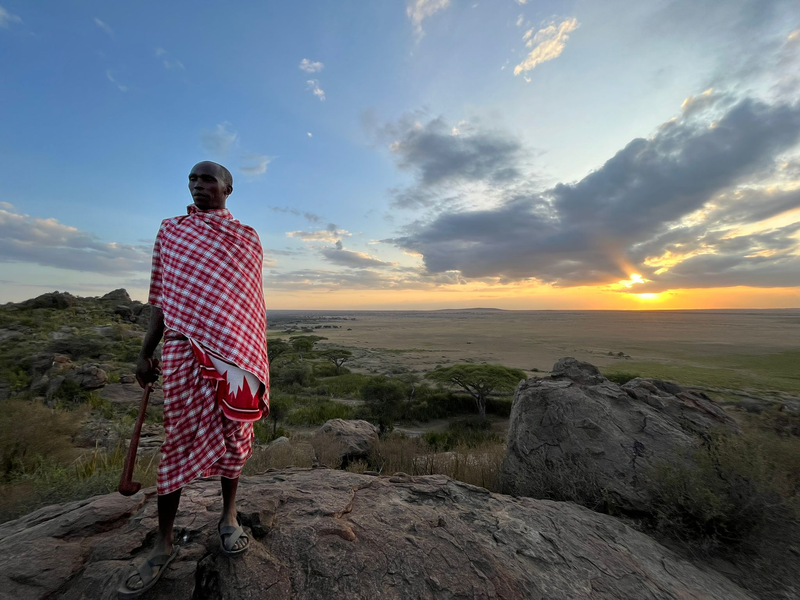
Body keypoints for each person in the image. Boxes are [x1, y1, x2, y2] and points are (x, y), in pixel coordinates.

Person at [119, 161, 270, 597]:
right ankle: (163, 543)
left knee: (236, 434)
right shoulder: (171, 232)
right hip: (185, 351)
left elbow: (248, 304)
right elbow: (162, 300)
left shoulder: (245, 237)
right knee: (178, 438)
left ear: (228, 188)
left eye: (207, 179)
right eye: (192, 179)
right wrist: (146, 351)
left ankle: (229, 517)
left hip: (236, 354)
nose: (198, 185)